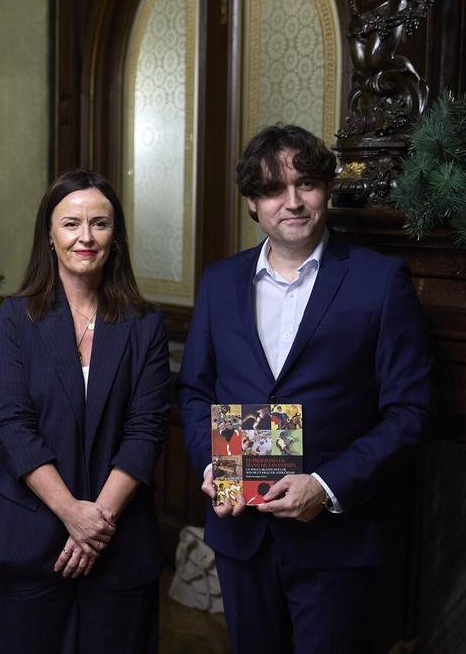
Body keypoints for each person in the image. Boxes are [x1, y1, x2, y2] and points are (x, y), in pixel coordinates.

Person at [178, 124, 433, 653]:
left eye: (306, 184)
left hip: (336, 544)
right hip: (242, 533)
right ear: (252, 202)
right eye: (273, 189)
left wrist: (327, 484)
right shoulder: (220, 282)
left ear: (326, 190)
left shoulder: (379, 279)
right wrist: (212, 467)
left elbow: (410, 412)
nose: (292, 202)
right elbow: (194, 393)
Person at [0, 170, 170, 653]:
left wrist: (96, 523)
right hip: (31, 539)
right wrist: (70, 512)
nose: (85, 237)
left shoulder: (145, 324)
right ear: (50, 235)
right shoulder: (15, 317)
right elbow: (12, 423)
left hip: (120, 543)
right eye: (70, 224)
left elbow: (146, 429)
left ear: (115, 236)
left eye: (99, 223)